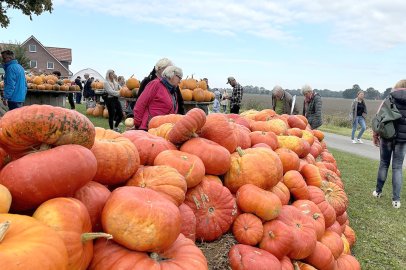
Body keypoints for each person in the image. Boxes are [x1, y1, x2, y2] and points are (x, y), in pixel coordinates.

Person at [372, 79, 406, 209]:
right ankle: (396, 200)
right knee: (397, 168)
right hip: (402, 141)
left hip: (386, 136)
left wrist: (375, 135)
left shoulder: (389, 97)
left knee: (384, 164)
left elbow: (378, 117)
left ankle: (378, 192)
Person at [133, 66, 183, 130]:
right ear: (172, 74)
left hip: (162, 130)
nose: (180, 81)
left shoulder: (173, 92)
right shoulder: (155, 84)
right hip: (148, 127)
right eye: (179, 78)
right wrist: (137, 123)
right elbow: (141, 103)